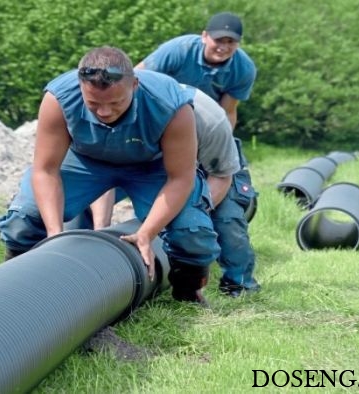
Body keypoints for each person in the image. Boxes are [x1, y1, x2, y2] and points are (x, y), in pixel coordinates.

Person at [0, 46, 220, 305]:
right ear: (81, 88)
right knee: (23, 219)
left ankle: (187, 292)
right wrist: (54, 235)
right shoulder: (59, 97)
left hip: (150, 166)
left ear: (134, 85)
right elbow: (46, 169)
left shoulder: (170, 104)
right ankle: (16, 287)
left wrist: (146, 233)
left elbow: (181, 178)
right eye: (93, 104)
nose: (104, 112)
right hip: (85, 161)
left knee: (192, 232)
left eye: (115, 103)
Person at [90, 12, 261, 297]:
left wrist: (191, 210)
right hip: (160, 133)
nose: (224, 46)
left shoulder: (242, 70)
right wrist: (101, 228)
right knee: (88, 194)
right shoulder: (178, 51)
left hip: (210, 135)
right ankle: (88, 259)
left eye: (232, 42)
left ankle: (238, 283)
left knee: (228, 219)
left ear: (239, 44)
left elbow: (229, 112)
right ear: (204, 35)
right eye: (219, 40)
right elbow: (137, 79)